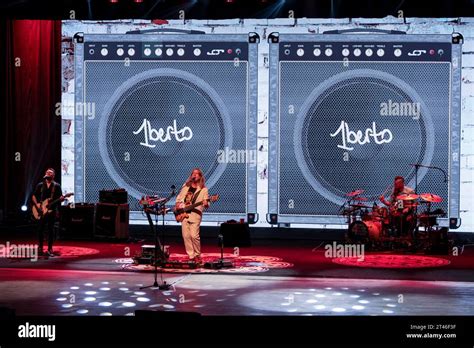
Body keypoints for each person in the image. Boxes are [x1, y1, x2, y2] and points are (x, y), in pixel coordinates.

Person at [175, 168, 209, 265]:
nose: (194, 175)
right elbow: (179, 198)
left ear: (200, 176)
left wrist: (206, 203)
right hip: (183, 214)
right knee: (186, 236)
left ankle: (198, 254)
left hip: (195, 214)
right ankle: (191, 256)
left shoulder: (203, 189)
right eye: (193, 174)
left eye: (196, 174)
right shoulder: (185, 186)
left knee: (194, 236)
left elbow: (206, 203)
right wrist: (178, 205)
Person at [32, 168, 64, 257]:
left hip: (52, 211)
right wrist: (37, 206)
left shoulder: (56, 186)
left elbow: (60, 200)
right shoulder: (40, 185)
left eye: (50, 173)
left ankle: (50, 248)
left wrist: (61, 199)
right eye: (47, 172)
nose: (48, 174)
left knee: (50, 230)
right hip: (41, 210)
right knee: (40, 229)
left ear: (53, 176)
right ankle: (40, 247)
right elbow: (34, 196)